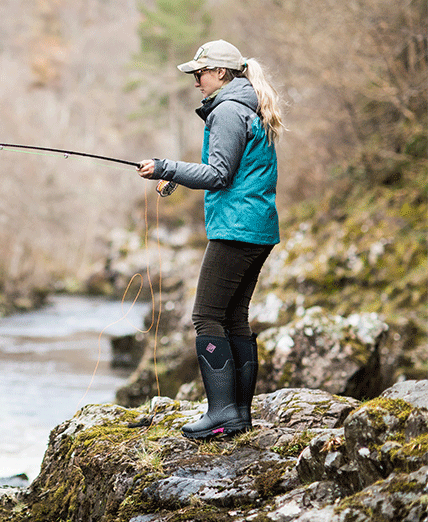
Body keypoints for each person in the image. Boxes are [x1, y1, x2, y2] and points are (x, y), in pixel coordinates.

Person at [137, 39, 285, 439]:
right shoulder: (248, 105)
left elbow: (219, 174)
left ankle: (222, 413)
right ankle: (237, 415)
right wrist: (176, 177)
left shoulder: (228, 111)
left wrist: (165, 166)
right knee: (233, 318)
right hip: (257, 227)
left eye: (199, 73)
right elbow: (230, 172)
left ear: (220, 72)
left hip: (236, 229)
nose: (196, 81)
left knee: (206, 317)